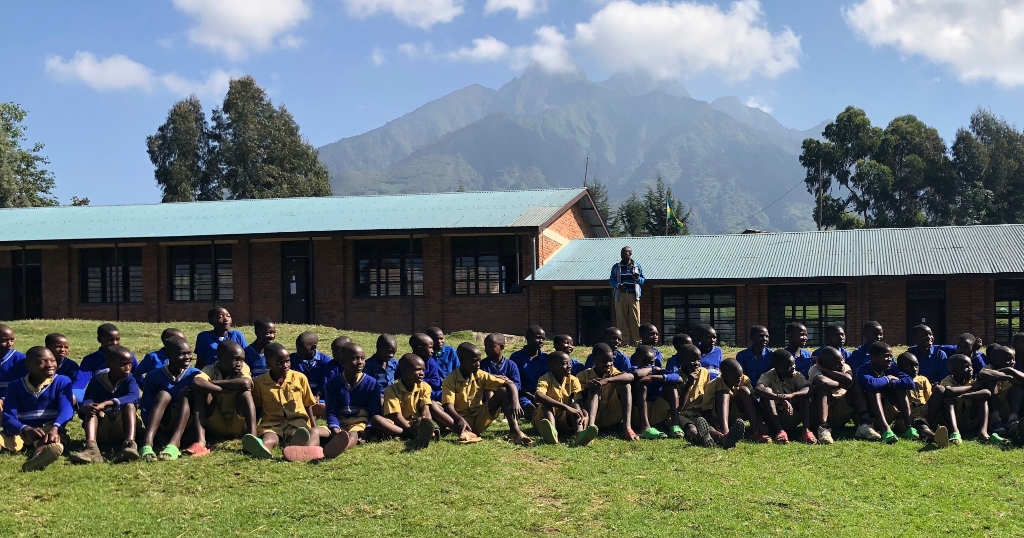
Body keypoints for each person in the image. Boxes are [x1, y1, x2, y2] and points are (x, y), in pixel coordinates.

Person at [244, 343, 330, 461]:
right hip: (272, 423)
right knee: (270, 438)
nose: (285, 365)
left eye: (287, 361)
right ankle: (263, 449)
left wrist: (313, 427)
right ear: (268, 363)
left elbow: (307, 404)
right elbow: (257, 408)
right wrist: (253, 431)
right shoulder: (259, 383)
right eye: (279, 363)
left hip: (296, 422)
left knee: (296, 435)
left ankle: (293, 447)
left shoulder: (300, 378)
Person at [441, 342, 531, 446]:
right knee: (434, 405)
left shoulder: (480, 374)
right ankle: (462, 432)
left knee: (504, 391)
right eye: (475, 361)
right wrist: (459, 419)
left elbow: (509, 383)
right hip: (458, 420)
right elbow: (448, 406)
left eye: (479, 360)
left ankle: (515, 431)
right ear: (462, 361)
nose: (479, 364)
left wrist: (516, 402)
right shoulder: (450, 379)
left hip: (479, 417)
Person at [0, 346, 73, 471]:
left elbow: (66, 410)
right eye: (43, 361)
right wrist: (25, 429)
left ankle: (38, 458)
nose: (50, 365)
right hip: (21, 429)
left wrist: (56, 428)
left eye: (53, 360)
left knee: (49, 443)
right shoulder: (15, 386)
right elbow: (8, 416)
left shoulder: (62, 381)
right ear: (28, 366)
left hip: (49, 428)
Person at [69, 345, 140, 464]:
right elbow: (88, 400)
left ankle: (130, 444)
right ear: (109, 364)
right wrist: (87, 407)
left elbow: (133, 396)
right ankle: (92, 448)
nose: (128, 368)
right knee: (91, 410)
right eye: (123, 364)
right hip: (103, 427)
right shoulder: (97, 381)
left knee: (130, 405)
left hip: (123, 425)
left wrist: (107, 403)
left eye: (130, 364)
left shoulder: (130, 379)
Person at [188, 341, 257, 456]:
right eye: (235, 359)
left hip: (238, 422)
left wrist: (214, 383)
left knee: (245, 393)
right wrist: (222, 390)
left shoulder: (243, 368)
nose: (239, 363)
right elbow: (197, 382)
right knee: (201, 393)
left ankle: (253, 439)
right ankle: (201, 441)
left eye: (242, 359)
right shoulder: (210, 368)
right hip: (216, 422)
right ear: (220, 357)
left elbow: (246, 383)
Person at [139, 336, 200, 461]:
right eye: (182, 354)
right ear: (168, 354)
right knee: (163, 395)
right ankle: (148, 442)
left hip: (187, 423)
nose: (188, 357)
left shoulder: (196, 375)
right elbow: (146, 406)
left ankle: (174, 443)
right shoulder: (154, 376)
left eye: (189, 353)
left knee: (186, 394)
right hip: (163, 422)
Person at [322, 343, 386, 458]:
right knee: (315, 431)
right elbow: (331, 412)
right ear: (342, 362)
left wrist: (369, 430)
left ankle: (340, 448)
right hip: (339, 424)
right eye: (355, 359)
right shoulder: (332, 384)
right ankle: (308, 449)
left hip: (359, 423)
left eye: (362, 358)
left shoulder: (371, 383)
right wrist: (336, 430)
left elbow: (374, 411)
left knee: (353, 434)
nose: (360, 362)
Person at [377, 354, 456, 448]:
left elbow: (425, 410)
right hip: (398, 424)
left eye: (423, 369)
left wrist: (426, 421)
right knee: (376, 420)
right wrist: (409, 429)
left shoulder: (425, 387)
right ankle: (413, 435)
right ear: (404, 369)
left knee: (421, 420)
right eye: (418, 369)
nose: (422, 373)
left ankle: (422, 432)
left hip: (416, 423)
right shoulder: (391, 390)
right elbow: (396, 416)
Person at [855, 341, 915, 444]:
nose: (890, 360)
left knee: (900, 388)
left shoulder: (891, 367)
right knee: (874, 391)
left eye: (891, 356)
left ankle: (909, 428)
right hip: (871, 415)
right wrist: (887, 379)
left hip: (887, 410)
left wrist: (891, 384)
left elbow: (910, 382)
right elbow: (871, 384)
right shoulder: (863, 369)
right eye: (886, 356)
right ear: (874, 357)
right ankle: (885, 430)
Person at [938, 354, 1006, 446]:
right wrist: (971, 388)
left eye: (971, 366)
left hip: (970, 420)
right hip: (954, 419)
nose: (970, 369)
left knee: (982, 399)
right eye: (966, 367)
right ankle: (955, 432)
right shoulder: (947, 380)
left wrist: (964, 395)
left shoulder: (972, 381)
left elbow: (986, 392)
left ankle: (983, 432)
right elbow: (950, 391)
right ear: (953, 370)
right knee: (949, 401)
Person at [577, 343, 635, 441]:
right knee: (594, 387)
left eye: (611, 360)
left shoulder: (613, 372)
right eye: (604, 361)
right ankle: (590, 428)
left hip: (612, 413)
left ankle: (627, 428)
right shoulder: (583, 375)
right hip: (594, 414)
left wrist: (608, 380)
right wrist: (587, 387)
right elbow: (577, 399)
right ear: (594, 360)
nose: (608, 364)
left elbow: (630, 376)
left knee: (626, 384)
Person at [755, 349, 814, 444]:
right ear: (777, 367)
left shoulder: (796, 375)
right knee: (767, 394)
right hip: (774, 417)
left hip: (792, 415)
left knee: (803, 395)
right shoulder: (768, 375)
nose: (793, 367)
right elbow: (759, 389)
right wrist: (779, 398)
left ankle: (806, 431)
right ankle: (780, 431)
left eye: (793, 364)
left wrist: (791, 395)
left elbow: (809, 388)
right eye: (789, 366)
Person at [699, 358, 759, 448]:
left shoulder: (745, 380)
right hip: (720, 418)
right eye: (735, 378)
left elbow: (754, 402)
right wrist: (714, 422)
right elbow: (705, 411)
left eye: (740, 376)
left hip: (738, 415)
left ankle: (756, 431)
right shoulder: (713, 385)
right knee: (723, 393)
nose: (739, 379)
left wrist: (760, 422)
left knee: (745, 390)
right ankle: (725, 432)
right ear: (724, 377)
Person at [74, 323, 140, 402]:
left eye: (117, 339)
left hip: (122, 397)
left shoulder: (127, 356)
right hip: (100, 396)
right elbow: (80, 383)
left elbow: (139, 378)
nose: (115, 343)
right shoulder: (91, 359)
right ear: (99, 339)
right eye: (110, 340)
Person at [534, 351, 589, 445]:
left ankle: (580, 435)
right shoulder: (545, 379)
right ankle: (552, 434)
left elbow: (578, 400)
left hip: (563, 420)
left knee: (575, 406)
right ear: (552, 367)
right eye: (565, 363)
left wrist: (585, 414)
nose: (569, 366)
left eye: (570, 363)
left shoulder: (573, 380)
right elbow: (539, 395)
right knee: (548, 404)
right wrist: (565, 407)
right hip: (545, 418)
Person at [665, 344, 715, 447]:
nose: (697, 363)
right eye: (692, 360)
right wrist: (689, 384)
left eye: (699, 360)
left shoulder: (704, 372)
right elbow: (679, 407)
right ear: (682, 360)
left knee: (710, 428)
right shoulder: (676, 378)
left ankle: (724, 438)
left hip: (698, 412)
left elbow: (707, 396)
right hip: (680, 414)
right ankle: (699, 439)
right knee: (691, 428)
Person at [630, 345, 681, 440]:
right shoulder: (633, 370)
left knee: (671, 386)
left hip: (656, 411)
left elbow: (678, 378)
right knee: (643, 384)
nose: (648, 365)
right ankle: (645, 427)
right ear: (637, 361)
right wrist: (651, 369)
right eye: (645, 362)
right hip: (637, 414)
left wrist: (654, 376)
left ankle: (675, 424)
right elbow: (638, 374)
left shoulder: (657, 372)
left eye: (651, 362)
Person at [891, 351, 942, 446]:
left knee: (940, 391)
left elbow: (928, 398)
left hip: (924, 411)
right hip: (909, 416)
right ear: (901, 368)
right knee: (919, 422)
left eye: (916, 366)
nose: (914, 369)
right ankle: (933, 436)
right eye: (910, 367)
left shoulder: (923, 379)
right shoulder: (899, 382)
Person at [807, 347, 856, 445]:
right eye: (837, 362)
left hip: (839, 409)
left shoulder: (844, 366)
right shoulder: (815, 369)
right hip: (819, 410)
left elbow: (848, 379)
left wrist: (824, 370)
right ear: (825, 363)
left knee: (857, 385)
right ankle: (823, 427)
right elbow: (822, 382)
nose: (841, 363)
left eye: (842, 359)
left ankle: (864, 423)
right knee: (822, 389)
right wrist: (841, 384)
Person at [976, 345, 1024, 441]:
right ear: (995, 361)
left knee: (1018, 388)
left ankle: (1013, 420)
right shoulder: (987, 368)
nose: (1012, 362)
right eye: (1008, 359)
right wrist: (1008, 377)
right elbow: (983, 374)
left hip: (1008, 408)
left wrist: (1010, 371)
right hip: (991, 408)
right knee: (989, 382)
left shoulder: (1013, 370)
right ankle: (995, 421)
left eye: (1013, 359)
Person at [610, 246, 645, 346]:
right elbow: (611, 280)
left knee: (635, 319)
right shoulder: (616, 267)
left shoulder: (637, 266)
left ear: (630, 253)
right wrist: (617, 285)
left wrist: (638, 278)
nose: (623, 254)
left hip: (634, 295)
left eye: (625, 252)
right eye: (622, 253)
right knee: (621, 319)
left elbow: (643, 280)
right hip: (621, 295)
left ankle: (637, 341)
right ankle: (624, 341)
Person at [479, 333, 524, 410]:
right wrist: (494, 379)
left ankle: (507, 414)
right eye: (486, 346)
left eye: (491, 346)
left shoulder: (511, 365)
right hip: (487, 399)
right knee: (489, 387)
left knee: (506, 389)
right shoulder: (482, 365)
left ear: (502, 347)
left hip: (505, 396)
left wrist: (507, 382)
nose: (487, 349)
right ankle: (490, 412)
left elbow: (517, 385)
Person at [510, 325, 547, 415]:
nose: (541, 341)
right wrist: (530, 396)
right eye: (538, 338)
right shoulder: (516, 357)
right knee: (526, 404)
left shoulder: (546, 358)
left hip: (543, 394)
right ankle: (531, 413)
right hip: (524, 395)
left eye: (543, 339)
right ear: (527, 337)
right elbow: (514, 382)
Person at [290, 331, 331, 398]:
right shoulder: (292, 359)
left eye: (302, 347)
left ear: (313, 347)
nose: (298, 350)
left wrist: (318, 395)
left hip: (320, 397)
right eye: (297, 346)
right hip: (298, 395)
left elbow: (326, 382)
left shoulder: (325, 361)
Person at [409, 333, 444, 401]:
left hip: (432, 395)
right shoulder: (408, 361)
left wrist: (419, 380)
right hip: (412, 395)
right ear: (419, 348)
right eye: (430, 348)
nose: (432, 351)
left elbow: (436, 382)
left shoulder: (431, 362)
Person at [364, 334, 399, 398]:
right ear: (378, 347)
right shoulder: (368, 366)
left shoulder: (393, 363)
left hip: (392, 395)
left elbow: (402, 376)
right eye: (389, 351)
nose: (392, 355)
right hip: (376, 397)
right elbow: (366, 388)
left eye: (394, 353)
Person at [0, 323, 27, 404]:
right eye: (4, 340)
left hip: (11, 402)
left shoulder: (21, 359)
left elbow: (23, 389)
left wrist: (3, 400)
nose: (9, 344)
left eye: (12, 340)